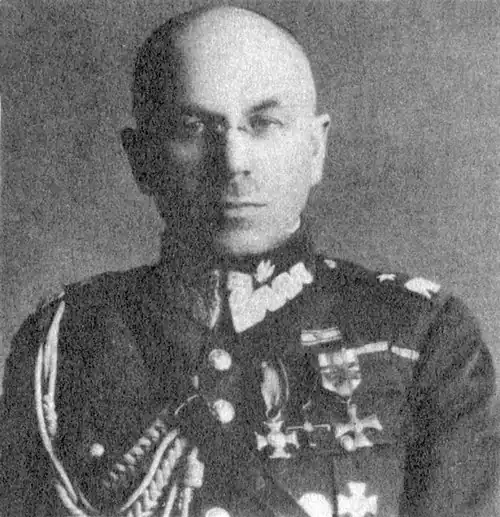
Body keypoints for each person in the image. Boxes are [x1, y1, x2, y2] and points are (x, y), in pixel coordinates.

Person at [0, 6, 497, 517]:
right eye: (193, 127)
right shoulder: (67, 342)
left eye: (264, 124)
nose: (234, 162)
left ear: (316, 148)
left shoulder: (420, 334)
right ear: (141, 158)